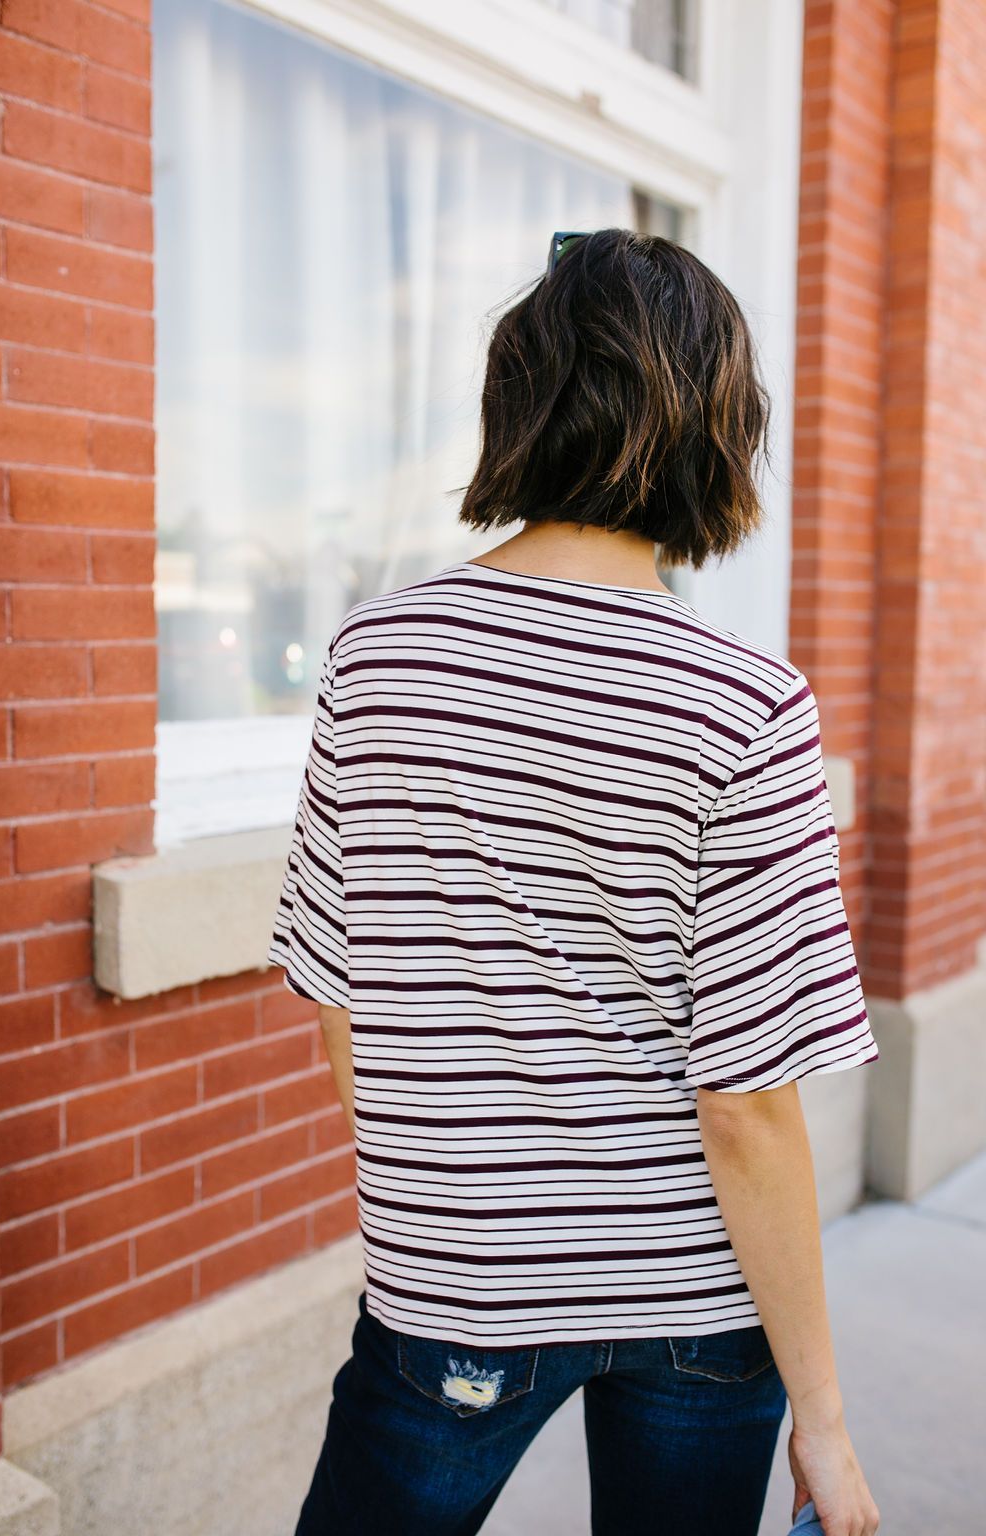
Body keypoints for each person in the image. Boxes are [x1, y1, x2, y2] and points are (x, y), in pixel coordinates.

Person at [267, 228, 881, 1536]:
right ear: (718, 426)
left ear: (521, 402)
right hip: (697, 1307)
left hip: (451, 1287)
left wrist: (451, 1205)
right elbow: (749, 1104)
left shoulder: (378, 660)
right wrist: (823, 1421)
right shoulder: (749, 710)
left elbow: (339, 986)